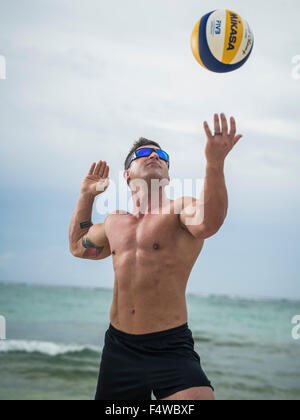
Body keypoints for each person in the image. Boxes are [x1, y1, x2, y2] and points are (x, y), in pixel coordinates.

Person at [69, 113, 243, 400]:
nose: (154, 156)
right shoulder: (114, 222)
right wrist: (86, 195)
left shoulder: (180, 210)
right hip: (119, 348)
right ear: (126, 174)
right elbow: (78, 246)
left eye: (161, 155)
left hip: (170, 346)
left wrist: (215, 162)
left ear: (168, 174)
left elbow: (209, 222)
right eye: (143, 153)